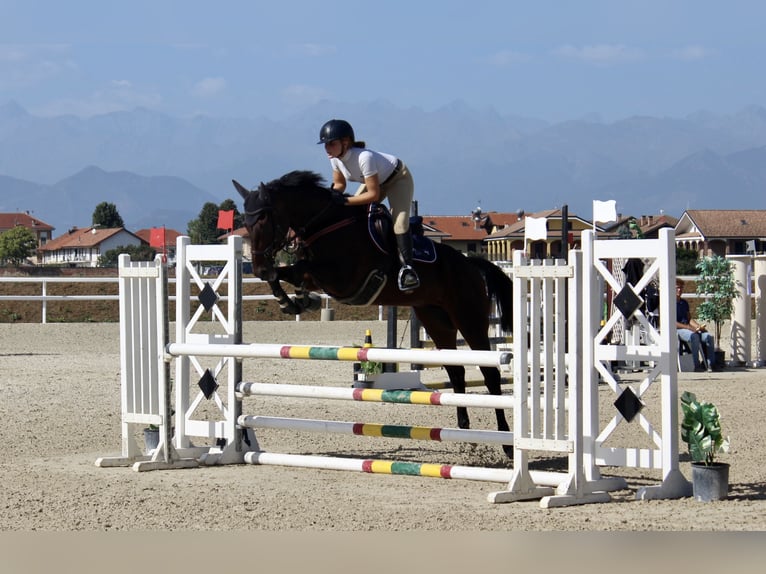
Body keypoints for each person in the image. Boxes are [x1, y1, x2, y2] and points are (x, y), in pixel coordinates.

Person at [317, 119, 420, 292]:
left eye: (331, 144)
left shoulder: (364, 157)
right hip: (377, 182)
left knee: (399, 222)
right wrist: (331, 196)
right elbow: (340, 184)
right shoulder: (335, 159)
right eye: (325, 145)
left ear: (346, 142)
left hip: (397, 179)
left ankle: (408, 271)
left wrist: (345, 201)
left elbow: (373, 195)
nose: (327, 148)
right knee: (350, 216)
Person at [675, 279, 715, 372]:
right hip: (678, 329)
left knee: (708, 337)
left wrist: (698, 326)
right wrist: (689, 328)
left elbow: (689, 319)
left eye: (681, 288)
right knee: (694, 336)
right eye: (677, 288)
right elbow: (673, 322)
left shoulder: (684, 303)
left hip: (687, 328)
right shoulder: (669, 303)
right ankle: (696, 365)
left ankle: (710, 364)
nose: (679, 290)